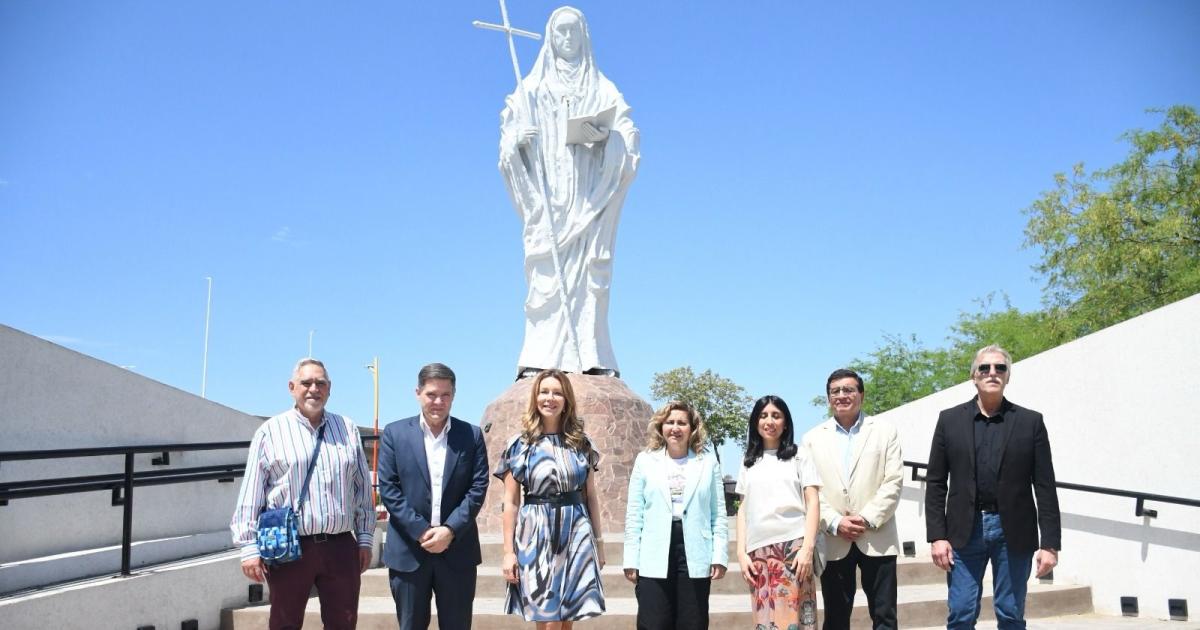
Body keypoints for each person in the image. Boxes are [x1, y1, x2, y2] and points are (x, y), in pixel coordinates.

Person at [498, 6, 640, 376]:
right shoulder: (530, 89)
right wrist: (518, 141)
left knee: (592, 275)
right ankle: (540, 357)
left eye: (573, 31)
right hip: (548, 202)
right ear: (551, 37)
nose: (567, 38)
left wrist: (607, 139)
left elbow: (628, 134)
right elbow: (507, 142)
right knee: (544, 278)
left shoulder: (601, 87)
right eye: (560, 32)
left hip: (589, 199)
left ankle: (592, 356)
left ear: (584, 36)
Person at [231, 358, 374, 630]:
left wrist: (365, 538)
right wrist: (249, 547)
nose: (313, 389)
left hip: (340, 545)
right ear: (291, 387)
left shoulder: (347, 428)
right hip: (290, 547)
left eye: (320, 383)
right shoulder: (270, 431)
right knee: (285, 623)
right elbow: (252, 493)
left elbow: (362, 490)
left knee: (343, 623)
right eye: (306, 382)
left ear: (329, 389)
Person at [926, 345, 1061, 629]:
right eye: (984, 368)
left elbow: (1045, 485)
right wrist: (937, 536)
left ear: (1008, 377)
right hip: (964, 530)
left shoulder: (1030, 422)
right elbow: (937, 482)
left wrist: (1049, 543)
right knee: (961, 612)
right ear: (973, 376)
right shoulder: (949, 420)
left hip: (1013, 531)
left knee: (1011, 612)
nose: (992, 373)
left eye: (1000, 368)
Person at [377, 363, 489, 630]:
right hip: (409, 553)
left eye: (445, 395)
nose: (438, 402)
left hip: (457, 551)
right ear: (418, 393)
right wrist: (421, 531)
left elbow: (478, 487)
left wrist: (449, 531)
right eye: (431, 394)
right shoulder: (395, 434)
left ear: (453, 395)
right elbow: (389, 489)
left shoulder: (470, 435)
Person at [495, 369, 606, 627]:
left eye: (557, 392)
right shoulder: (520, 445)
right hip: (536, 533)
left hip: (576, 532)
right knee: (546, 617)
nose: (550, 398)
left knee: (569, 617)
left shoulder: (581, 443)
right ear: (535, 397)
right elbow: (511, 503)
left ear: (566, 399)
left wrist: (598, 544)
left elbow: (591, 497)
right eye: (544, 392)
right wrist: (508, 552)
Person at [802, 369, 903, 630]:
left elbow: (893, 481)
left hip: (877, 537)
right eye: (835, 391)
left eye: (848, 390)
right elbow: (810, 492)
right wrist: (835, 522)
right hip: (835, 539)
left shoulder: (885, 431)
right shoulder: (812, 439)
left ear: (861, 394)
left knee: (885, 616)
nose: (842, 395)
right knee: (836, 618)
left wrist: (866, 518)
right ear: (828, 399)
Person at [623, 401, 729, 630]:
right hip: (654, 551)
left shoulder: (707, 463)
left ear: (692, 428)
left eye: (682, 422)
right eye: (670, 422)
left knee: (693, 621)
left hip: (694, 550)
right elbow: (634, 513)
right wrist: (631, 558)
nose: (675, 428)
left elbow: (718, 513)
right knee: (654, 622)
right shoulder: (645, 461)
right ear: (661, 427)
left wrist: (719, 554)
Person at [736, 395, 822, 630]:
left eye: (776, 415)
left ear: (786, 422)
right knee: (764, 621)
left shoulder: (799, 455)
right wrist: (741, 554)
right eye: (763, 416)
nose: (769, 421)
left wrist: (807, 548)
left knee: (794, 621)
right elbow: (743, 509)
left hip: (792, 548)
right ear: (755, 422)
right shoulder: (748, 461)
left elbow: (813, 501)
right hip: (757, 551)